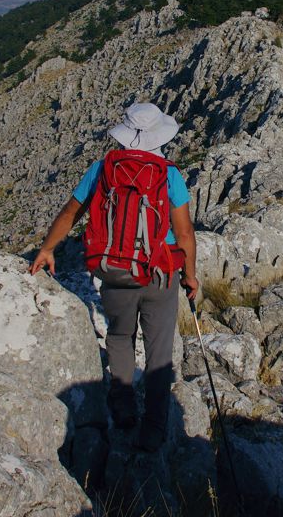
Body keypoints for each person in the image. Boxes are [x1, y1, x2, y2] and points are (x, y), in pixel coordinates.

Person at [30, 102, 198, 452]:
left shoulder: (102, 168)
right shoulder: (169, 174)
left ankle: (123, 412)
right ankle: (152, 432)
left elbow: (71, 212)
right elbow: (184, 234)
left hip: (114, 270)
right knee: (158, 353)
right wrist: (190, 276)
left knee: (120, 338)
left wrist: (48, 249)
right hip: (159, 274)